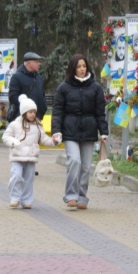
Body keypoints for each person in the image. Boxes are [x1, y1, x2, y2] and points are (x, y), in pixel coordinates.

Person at [52, 54, 108, 210]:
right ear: (73, 69)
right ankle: (71, 195)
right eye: (79, 66)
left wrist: (103, 131)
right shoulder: (64, 87)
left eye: (84, 66)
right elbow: (57, 111)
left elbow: (100, 112)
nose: (82, 69)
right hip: (70, 130)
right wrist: (56, 130)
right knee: (74, 161)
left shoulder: (95, 87)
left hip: (89, 130)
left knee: (85, 166)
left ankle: (82, 197)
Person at [3, 95, 57, 209]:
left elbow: (44, 139)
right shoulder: (15, 124)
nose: (33, 114)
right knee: (16, 176)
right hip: (17, 156)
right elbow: (6, 136)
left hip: (31, 156)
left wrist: (54, 141)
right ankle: (14, 198)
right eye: (30, 112)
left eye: (34, 112)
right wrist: (14, 142)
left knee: (29, 179)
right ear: (24, 112)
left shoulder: (37, 126)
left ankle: (26, 200)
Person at [7, 52, 47, 123]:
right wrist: (27, 108)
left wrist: (44, 107)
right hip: (22, 119)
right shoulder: (17, 77)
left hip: (37, 118)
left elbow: (42, 95)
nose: (39, 64)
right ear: (28, 63)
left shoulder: (38, 78)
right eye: (36, 61)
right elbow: (13, 97)